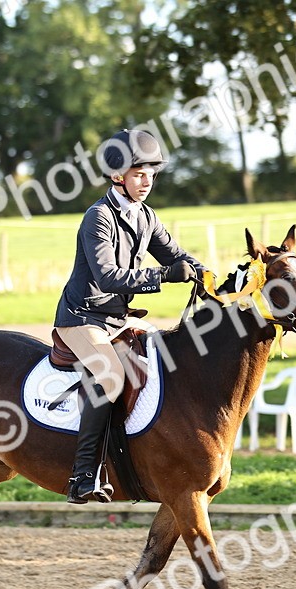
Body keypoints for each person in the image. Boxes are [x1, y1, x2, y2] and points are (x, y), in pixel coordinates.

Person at [53, 129, 207, 504]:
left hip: (118, 319)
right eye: (139, 174)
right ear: (116, 176)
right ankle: (84, 475)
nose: (147, 182)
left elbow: (176, 256)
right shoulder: (98, 217)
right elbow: (108, 276)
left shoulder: (146, 215)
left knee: (165, 364)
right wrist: (163, 276)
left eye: (151, 174)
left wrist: (214, 277)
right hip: (82, 317)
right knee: (110, 376)